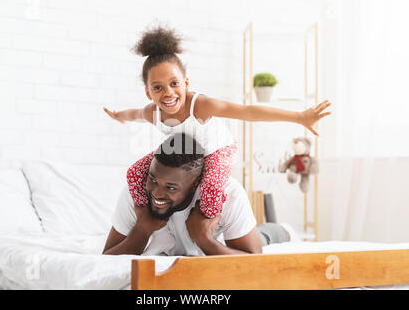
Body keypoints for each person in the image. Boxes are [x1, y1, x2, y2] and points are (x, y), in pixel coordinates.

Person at [104, 25, 331, 221]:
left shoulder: (200, 106)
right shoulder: (151, 112)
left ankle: (208, 226)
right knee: (134, 173)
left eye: (174, 83)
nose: (168, 93)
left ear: (185, 83)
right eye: (158, 88)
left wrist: (299, 117)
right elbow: (132, 114)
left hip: (216, 150)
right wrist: (117, 116)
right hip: (182, 152)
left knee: (211, 188)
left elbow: (247, 112)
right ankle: (146, 218)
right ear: (148, 93)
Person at [102, 133, 289, 256]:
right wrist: (142, 230)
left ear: (195, 185)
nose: (157, 193)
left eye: (171, 187)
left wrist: (204, 240)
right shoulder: (136, 195)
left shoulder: (227, 194)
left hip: (230, 240)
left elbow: (254, 262)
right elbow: (105, 258)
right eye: (153, 179)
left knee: (266, 235)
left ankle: (282, 229)